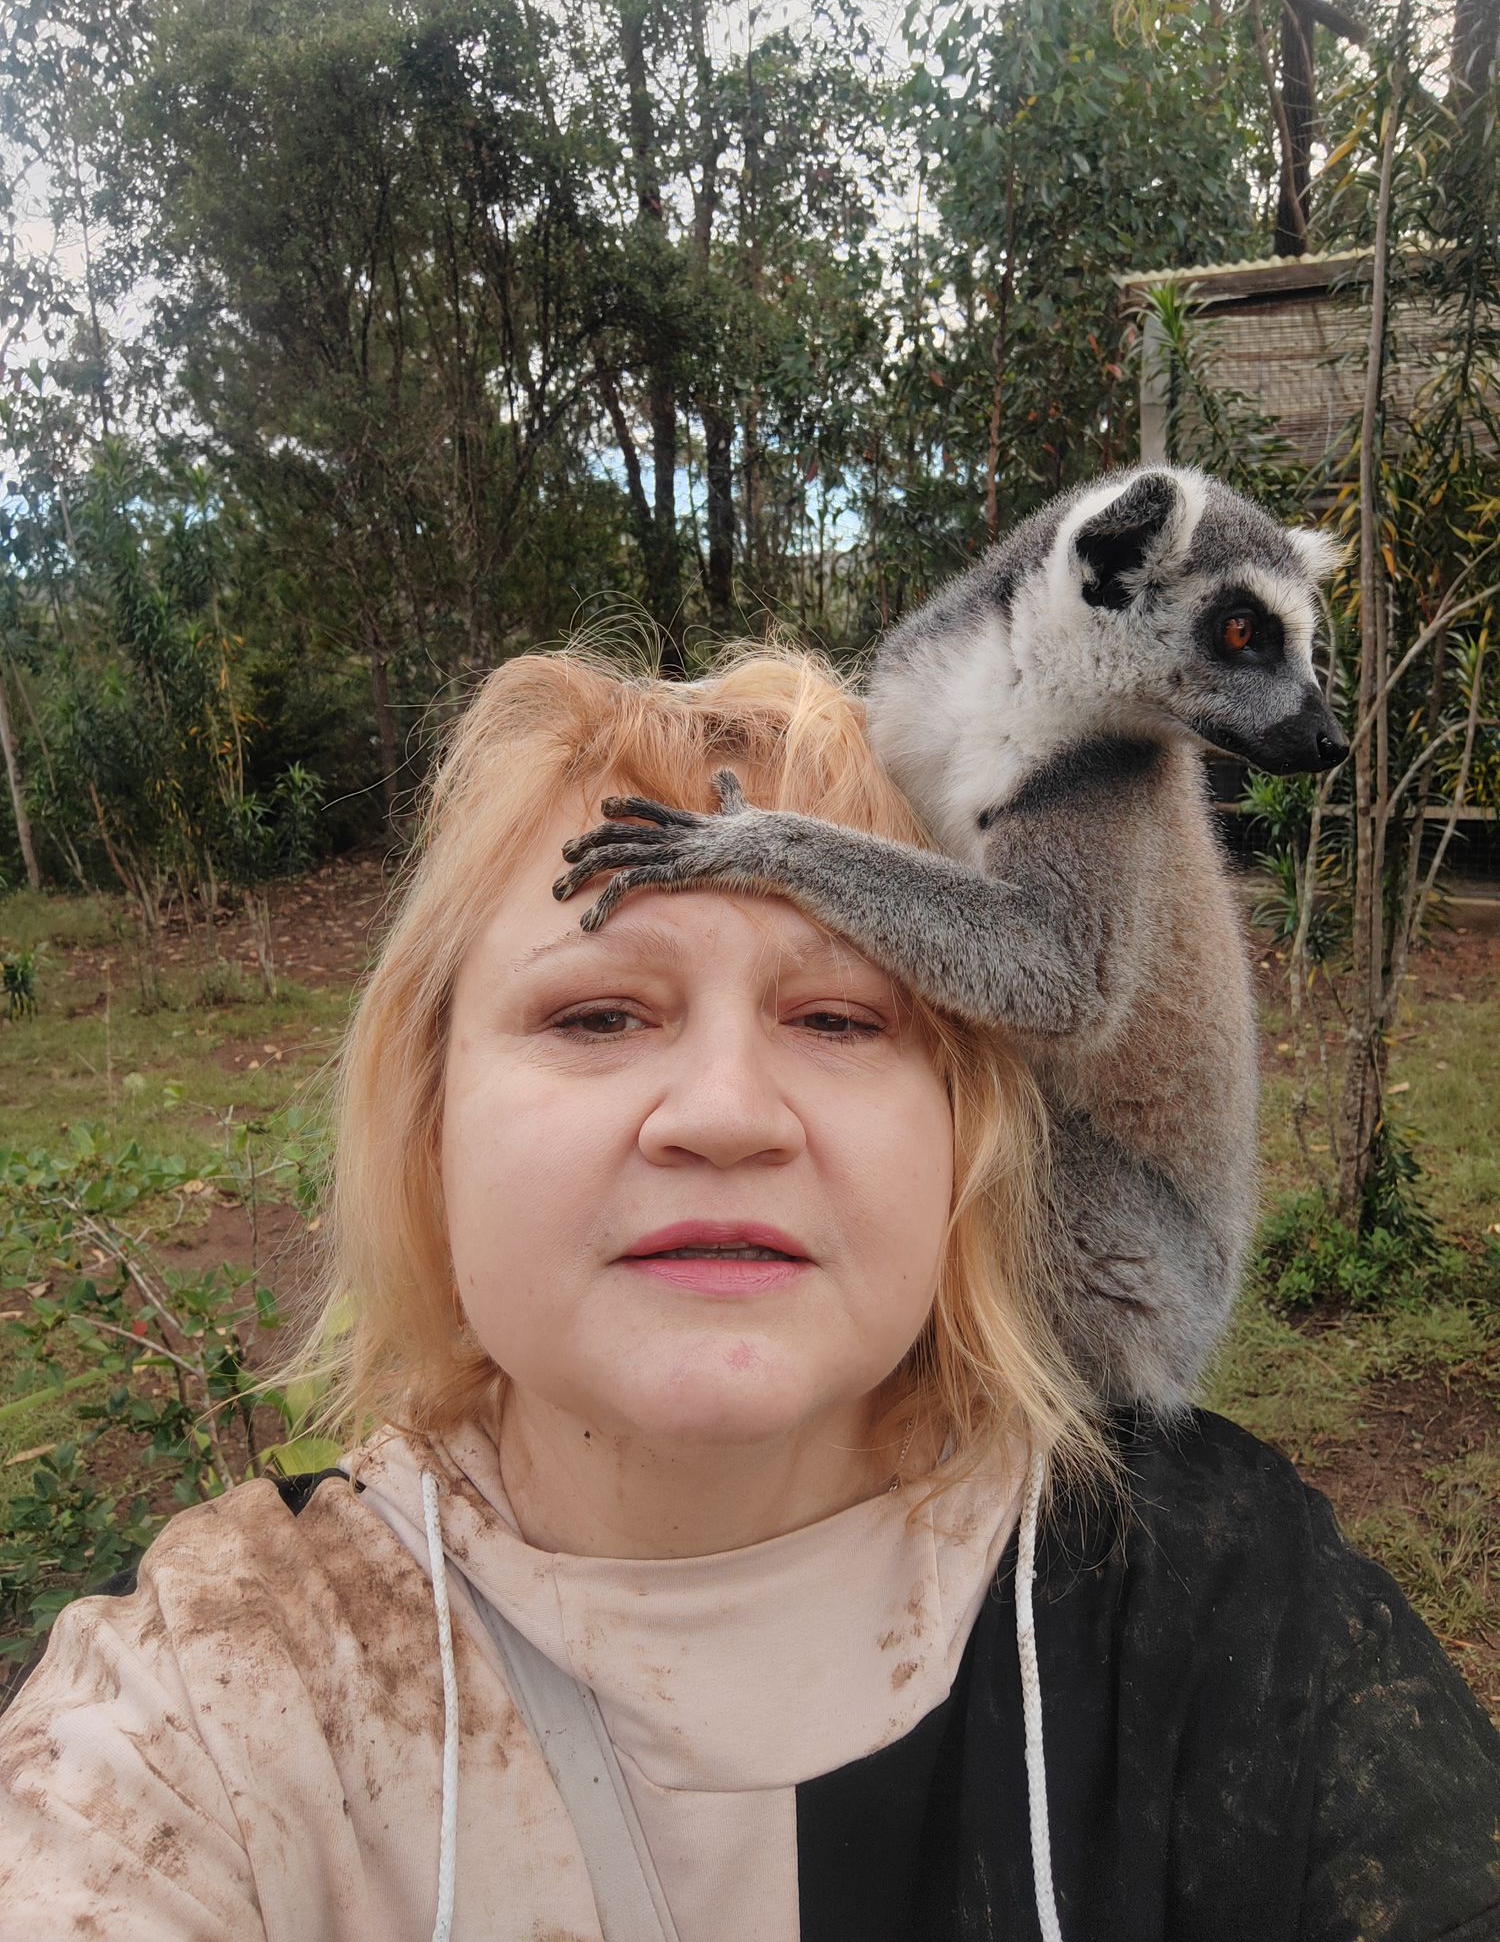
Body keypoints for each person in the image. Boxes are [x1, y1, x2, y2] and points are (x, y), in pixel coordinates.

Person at [0, 645, 1495, 1942]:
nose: (724, 1115)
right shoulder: (214, 1700)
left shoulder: (1224, 1608)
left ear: (971, 1136)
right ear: (429, 1123)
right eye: (599, 1013)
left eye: (838, 1018)